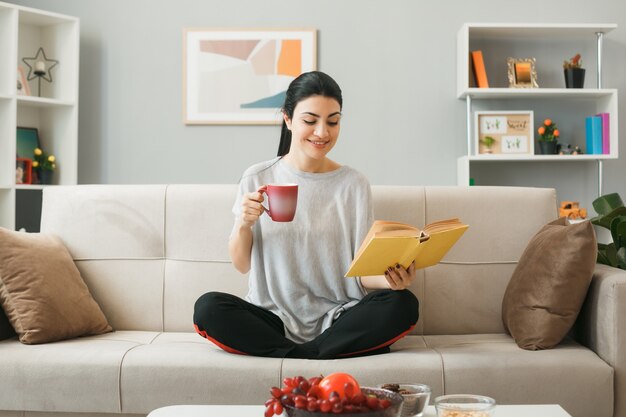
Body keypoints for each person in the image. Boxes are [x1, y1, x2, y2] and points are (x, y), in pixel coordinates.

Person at [193, 71, 418, 359]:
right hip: (271, 318)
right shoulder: (257, 177)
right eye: (310, 121)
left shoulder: (354, 184)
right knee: (208, 308)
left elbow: (360, 273)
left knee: (403, 304)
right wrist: (244, 224)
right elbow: (240, 264)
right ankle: (318, 354)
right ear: (287, 119)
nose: (322, 132)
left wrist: (391, 280)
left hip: (340, 317)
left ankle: (299, 354)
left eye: (333, 121)